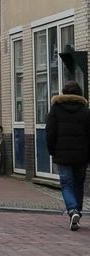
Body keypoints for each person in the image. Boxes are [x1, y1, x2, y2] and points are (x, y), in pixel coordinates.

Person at [46, 81, 90, 231]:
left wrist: (52, 151)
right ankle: (76, 212)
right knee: (78, 185)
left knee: (66, 184)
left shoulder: (55, 110)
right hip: (81, 156)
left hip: (62, 155)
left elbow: (50, 133)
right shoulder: (85, 111)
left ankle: (72, 210)